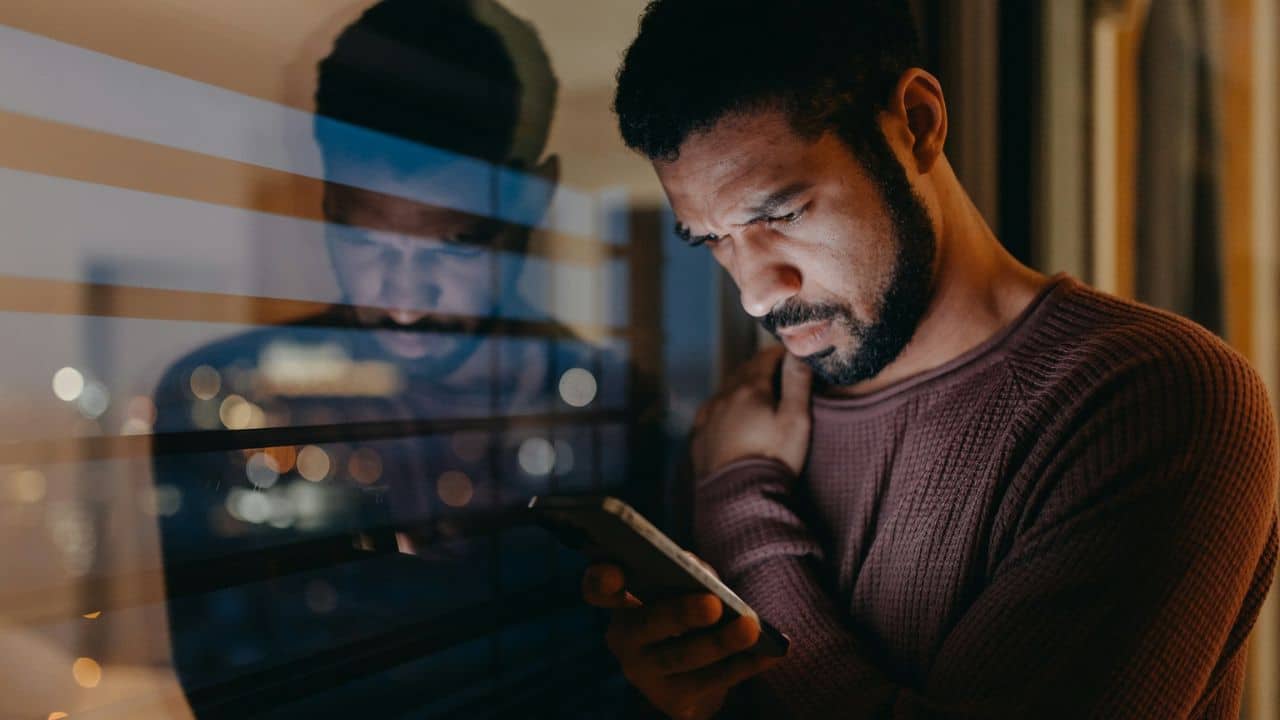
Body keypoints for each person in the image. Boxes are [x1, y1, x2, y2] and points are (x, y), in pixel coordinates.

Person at [582, 1, 1279, 718]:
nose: (756, 295)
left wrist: (742, 515)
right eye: (713, 240)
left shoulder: (1152, 397)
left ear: (916, 123)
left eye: (781, 215)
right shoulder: (744, 414)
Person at [151, 1, 632, 715]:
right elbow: (224, 685)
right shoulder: (222, 398)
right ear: (325, 206)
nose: (404, 301)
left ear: (534, 202)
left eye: (456, 243)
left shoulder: (618, 411)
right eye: (366, 242)